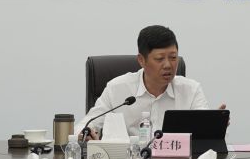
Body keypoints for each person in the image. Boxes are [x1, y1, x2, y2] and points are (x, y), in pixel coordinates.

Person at [81, 25, 224, 140]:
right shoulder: (117, 89)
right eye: (160, 59)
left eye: (173, 57)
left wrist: (213, 125)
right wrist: (86, 133)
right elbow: (86, 126)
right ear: (141, 60)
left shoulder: (191, 90)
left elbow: (204, 135)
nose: (168, 65)